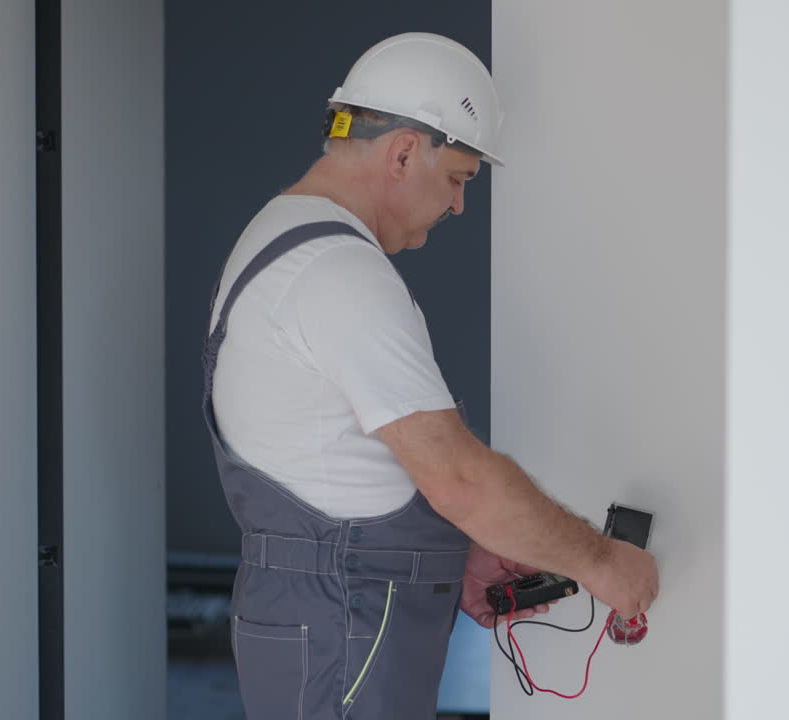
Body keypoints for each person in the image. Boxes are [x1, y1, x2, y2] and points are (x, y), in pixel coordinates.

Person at [201, 32, 659, 720]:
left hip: (329, 612)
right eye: (459, 179)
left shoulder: (289, 240)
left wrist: (454, 553)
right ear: (405, 151)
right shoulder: (337, 274)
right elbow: (461, 479)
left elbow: (349, 466)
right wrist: (601, 561)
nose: (458, 207)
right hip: (345, 618)